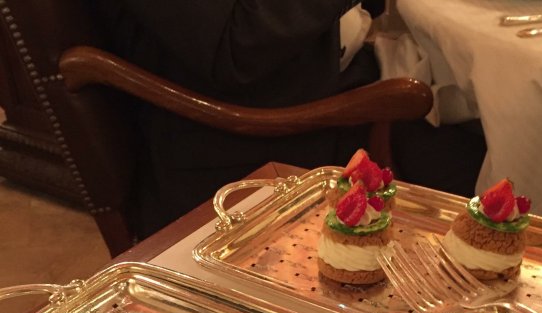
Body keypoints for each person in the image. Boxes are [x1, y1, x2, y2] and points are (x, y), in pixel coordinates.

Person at [94, 1, 485, 238]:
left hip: (329, 82)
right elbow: (236, 45)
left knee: (486, 116)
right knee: (483, 162)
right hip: (251, 151)